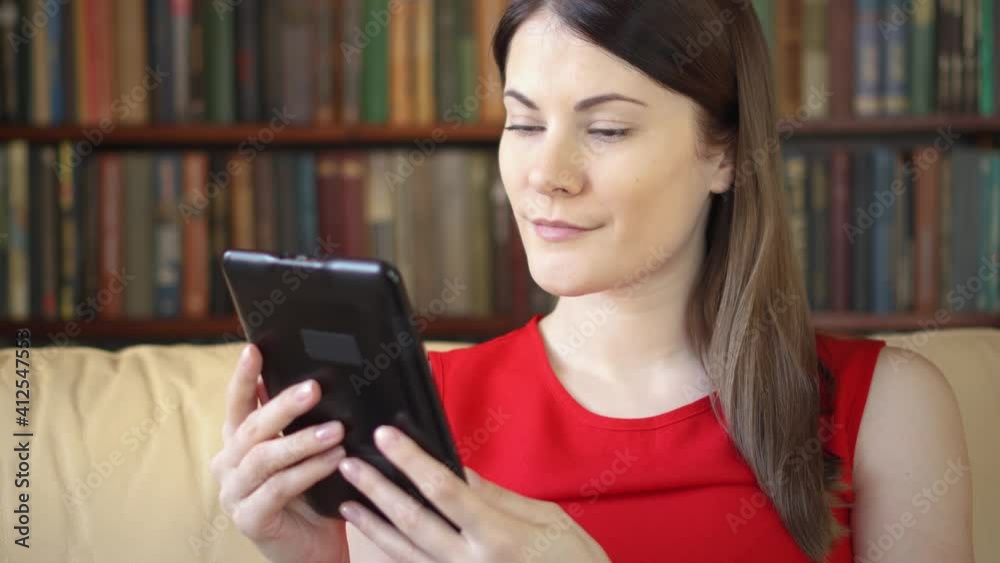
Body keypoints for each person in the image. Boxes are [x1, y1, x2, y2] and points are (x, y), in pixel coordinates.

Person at [210, 1, 975, 562]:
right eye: (524, 121)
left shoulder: (886, 407)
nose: (547, 175)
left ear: (727, 154)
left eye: (606, 128)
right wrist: (317, 557)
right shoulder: (421, 415)